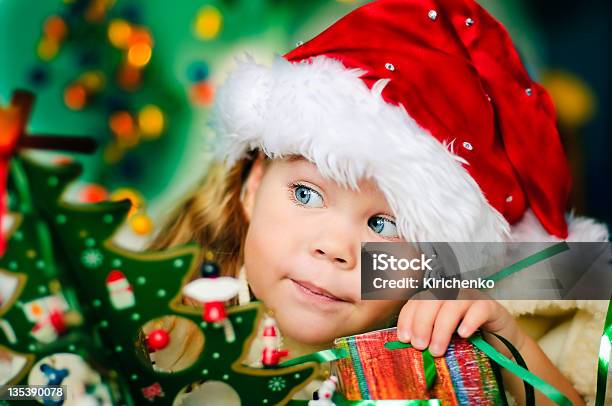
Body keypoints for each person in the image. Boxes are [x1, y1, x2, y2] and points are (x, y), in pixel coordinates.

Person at [152, 0, 609, 403]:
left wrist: (509, 345)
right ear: (252, 187)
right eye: (306, 194)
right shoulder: (162, 320)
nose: (335, 248)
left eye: (384, 225)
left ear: (432, 264)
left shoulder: (440, 363)